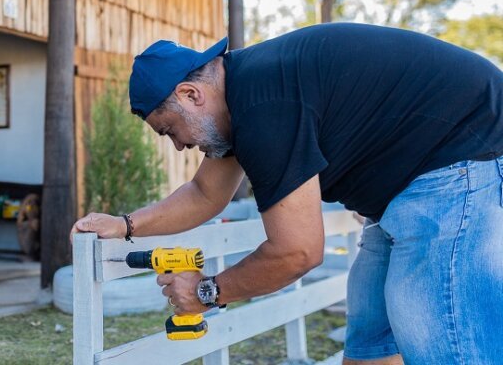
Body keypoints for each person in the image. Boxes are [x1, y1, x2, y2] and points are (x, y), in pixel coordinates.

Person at [70, 23, 503, 365]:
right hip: (407, 187)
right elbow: (205, 192)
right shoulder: (244, 94)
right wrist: (126, 224)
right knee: (371, 340)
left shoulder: (262, 106)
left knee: (447, 344)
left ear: (190, 94)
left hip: (457, 162)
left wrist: (206, 293)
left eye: (169, 130)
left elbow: (297, 252)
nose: (180, 145)